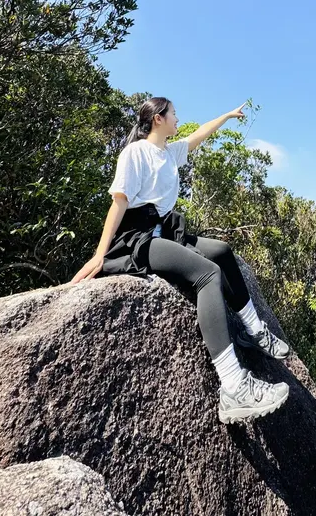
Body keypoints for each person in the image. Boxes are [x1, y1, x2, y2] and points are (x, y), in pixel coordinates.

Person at [71, 97, 290, 424]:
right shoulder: (135, 152)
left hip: (166, 232)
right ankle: (233, 386)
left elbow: (199, 133)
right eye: (173, 113)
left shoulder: (170, 152)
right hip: (137, 238)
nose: (178, 118)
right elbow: (118, 204)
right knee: (207, 274)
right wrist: (99, 255)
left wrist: (228, 116)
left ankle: (254, 330)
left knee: (221, 251)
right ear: (158, 119)